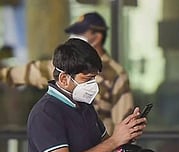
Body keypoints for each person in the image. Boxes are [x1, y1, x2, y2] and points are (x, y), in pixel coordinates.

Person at [0, 12, 133, 134]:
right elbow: (35, 72)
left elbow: (124, 120)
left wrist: (117, 147)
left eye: (80, 33)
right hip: (70, 141)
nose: (74, 37)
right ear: (63, 78)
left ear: (97, 37)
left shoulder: (115, 74)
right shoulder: (67, 65)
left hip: (102, 144)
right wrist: (4, 74)